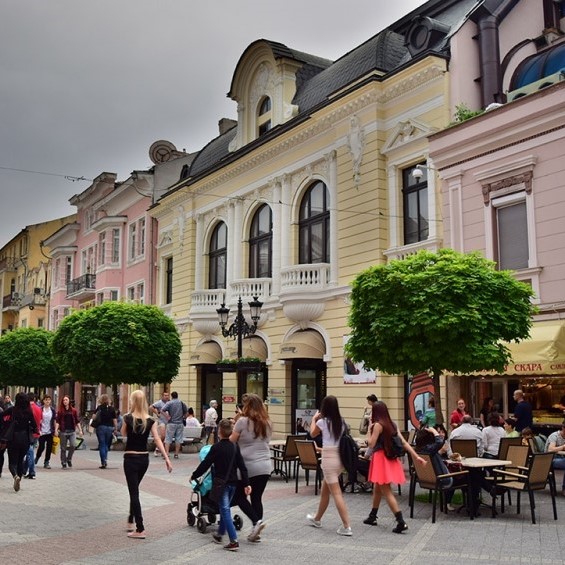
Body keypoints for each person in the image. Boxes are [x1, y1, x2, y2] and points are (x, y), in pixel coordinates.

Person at [362, 401, 426, 532]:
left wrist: (369, 431)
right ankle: (372, 515)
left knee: (386, 490)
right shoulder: (392, 424)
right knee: (377, 487)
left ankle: (401, 521)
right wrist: (416, 456)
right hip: (390, 458)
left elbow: (371, 444)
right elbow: (403, 442)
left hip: (380, 458)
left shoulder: (377, 425)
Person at [191, 418, 251, 552]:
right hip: (234, 484)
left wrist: (194, 475)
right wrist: (247, 483)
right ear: (230, 432)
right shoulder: (235, 447)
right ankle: (219, 534)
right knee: (226, 508)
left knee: (225, 510)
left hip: (221, 484)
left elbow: (205, 464)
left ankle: (233, 541)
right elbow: (242, 467)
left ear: (219, 432)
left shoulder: (216, 448)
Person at [121, 390, 172, 538]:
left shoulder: (127, 418)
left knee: (134, 492)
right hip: (144, 460)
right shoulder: (150, 420)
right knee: (134, 489)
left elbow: (123, 434)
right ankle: (131, 519)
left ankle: (140, 528)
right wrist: (166, 458)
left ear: (132, 402)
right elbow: (157, 439)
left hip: (130, 458)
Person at [306, 395, 352, 536]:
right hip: (339, 459)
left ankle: (346, 526)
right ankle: (317, 518)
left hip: (328, 459)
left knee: (336, 493)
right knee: (325, 490)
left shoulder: (323, 422)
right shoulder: (341, 422)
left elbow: (312, 434)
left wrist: (314, 419)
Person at [230, 393, 272, 543]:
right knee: (256, 498)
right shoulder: (267, 422)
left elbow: (231, 442)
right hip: (265, 466)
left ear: (247, 406)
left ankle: (256, 522)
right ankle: (256, 532)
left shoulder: (242, 421)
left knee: (239, 497)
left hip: (248, 466)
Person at [415, 426, 465, 510]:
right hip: (442, 480)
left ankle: (450, 503)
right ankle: (471, 506)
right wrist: (434, 431)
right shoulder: (429, 449)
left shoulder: (419, 450)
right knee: (470, 477)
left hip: (427, 480)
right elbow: (439, 442)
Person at [0, 392, 38, 492]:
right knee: (20, 460)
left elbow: (1, 415)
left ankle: (15, 476)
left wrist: (5, 424)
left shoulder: (13, 410)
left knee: (12, 463)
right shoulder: (29, 411)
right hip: (25, 439)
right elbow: (34, 425)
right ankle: (19, 480)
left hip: (13, 438)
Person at [55, 395, 82, 469]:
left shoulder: (74, 410)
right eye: (64, 400)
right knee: (63, 448)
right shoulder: (60, 411)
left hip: (72, 431)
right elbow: (57, 421)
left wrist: (80, 430)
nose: (65, 401)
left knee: (73, 445)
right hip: (63, 431)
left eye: (66, 400)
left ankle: (69, 459)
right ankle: (63, 461)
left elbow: (77, 421)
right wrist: (56, 430)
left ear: (69, 401)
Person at [93, 394, 118, 469]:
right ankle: (105, 459)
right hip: (110, 428)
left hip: (101, 427)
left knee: (102, 444)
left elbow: (94, 417)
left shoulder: (99, 408)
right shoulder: (112, 409)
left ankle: (103, 462)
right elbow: (115, 420)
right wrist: (115, 428)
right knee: (107, 444)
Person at [161, 391, 188, 459]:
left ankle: (167, 453)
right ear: (177, 396)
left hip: (171, 423)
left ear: (171, 396)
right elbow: (186, 412)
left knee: (168, 439)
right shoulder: (181, 403)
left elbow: (162, 410)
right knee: (178, 439)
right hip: (180, 423)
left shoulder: (169, 403)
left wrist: (167, 416)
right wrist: (184, 417)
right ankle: (176, 454)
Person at [34, 395, 56, 469]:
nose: (47, 401)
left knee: (49, 447)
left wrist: (55, 430)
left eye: (49, 400)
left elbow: (54, 420)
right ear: (43, 401)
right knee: (41, 447)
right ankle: (37, 458)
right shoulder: (40, 409)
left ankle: (46, 462)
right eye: (46, 400)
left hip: (50, 432)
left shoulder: (52, 410)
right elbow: (37, 419)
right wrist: (38, 429)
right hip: (42, 431)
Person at [544, 422, 565, 496]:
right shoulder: (555, 436)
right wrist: (563, 447)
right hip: (550, 459)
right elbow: (550, 449)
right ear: (563, 428)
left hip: (561, 458)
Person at [24, 392, 42, 479]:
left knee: (29, 453)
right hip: (36, 433)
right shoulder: (39, 408)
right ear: (34, 399)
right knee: (30, 452)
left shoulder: (27, 408)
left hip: (29, 434)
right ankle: (24, 470)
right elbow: (41, 420)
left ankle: (32, 472)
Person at [150, 391, 170, 457]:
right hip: (162, 421)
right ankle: (157, 449)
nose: (166, 397)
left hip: (169, 422)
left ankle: (162, 451)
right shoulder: (159, 403)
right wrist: (157, 413)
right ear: (162, 396)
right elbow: (151, 407)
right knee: (163, 436)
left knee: (166, 437)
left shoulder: (169, 402)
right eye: (165, 395)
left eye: (167, 395)